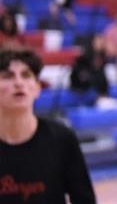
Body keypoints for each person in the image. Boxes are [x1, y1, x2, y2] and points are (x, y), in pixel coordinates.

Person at [0, 47, 96, 203]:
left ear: (37, 88)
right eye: (8, 76)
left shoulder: (62, 139)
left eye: (26, 75)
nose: (18, 83)